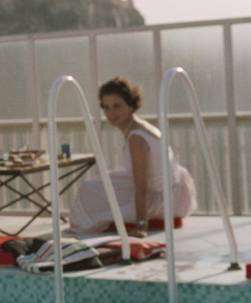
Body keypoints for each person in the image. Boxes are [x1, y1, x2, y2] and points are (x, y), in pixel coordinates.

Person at [69, 77, 197, 237]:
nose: (111, 113)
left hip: (164, 199)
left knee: (90, 190)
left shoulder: (136, 137)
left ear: (130, 105)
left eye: (117, 106)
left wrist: (141, 225)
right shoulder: (137, 126)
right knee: (97, 183)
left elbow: (141, 186)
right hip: (173, 189)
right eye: (106, 107)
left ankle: (130, 219)